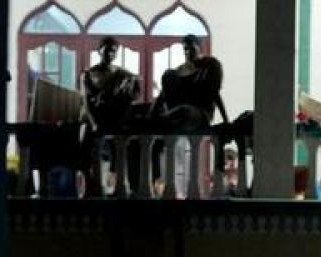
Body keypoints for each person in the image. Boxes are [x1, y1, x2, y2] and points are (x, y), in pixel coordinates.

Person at [79, 37, 139, 196]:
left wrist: (131, 85)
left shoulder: (122, 74)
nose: (110, 53)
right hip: (93, 117)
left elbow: (133, 91)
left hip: (113, 117)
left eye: (113, 51)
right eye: (107, 49)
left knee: (125, 145)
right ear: (99, 50)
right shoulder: (89, 74)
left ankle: (120, 183)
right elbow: (86, 102)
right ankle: (88, 184)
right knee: (85, 146)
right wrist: (93, 123)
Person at [151, 34, 228, 129]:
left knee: (184, 110)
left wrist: (226, 120)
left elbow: (215, 93)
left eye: (191, 48)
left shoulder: (209, 65)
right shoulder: (179, 70)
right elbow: (162, 95)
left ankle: (159, 121)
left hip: (202, 113)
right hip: (179, 111)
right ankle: (154, 122)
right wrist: (152, 112)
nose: (188, 52)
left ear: (199, 48)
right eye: (185, 49)